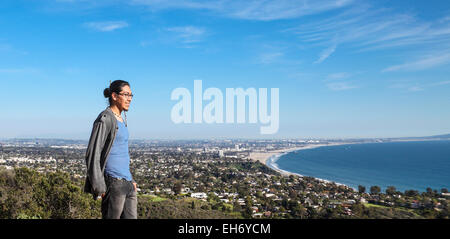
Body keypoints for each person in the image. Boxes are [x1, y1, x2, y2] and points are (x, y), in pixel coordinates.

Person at [84, 80, 137, 219]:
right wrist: (99, 185)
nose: (129, 98)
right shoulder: (105, 118)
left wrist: (131, 180)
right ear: (114, 96)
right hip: (113, 183)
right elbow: (92, 154)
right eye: (126, 94)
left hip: (128, 183)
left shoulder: (121, 119)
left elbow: (121, 152)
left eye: (131, 95)